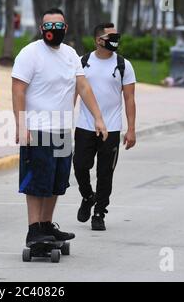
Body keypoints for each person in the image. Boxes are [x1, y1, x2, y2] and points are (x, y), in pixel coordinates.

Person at [12, 8, 108, 246]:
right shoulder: (30, 53)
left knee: (57, 180)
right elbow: (18, 90)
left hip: (63, 129)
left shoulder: (70, 54)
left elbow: (83, 87)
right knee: (37, 181)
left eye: (58, 27)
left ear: (65, 28)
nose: (53, 31)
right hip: (37, 129)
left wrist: (98, 117)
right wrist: (20, 125)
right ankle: (33, 230)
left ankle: (46, 225)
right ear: (42, 29)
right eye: (48, 27)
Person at [74, 23, 137, 231]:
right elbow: (74, 93)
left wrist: (131, 129)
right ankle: (87, 196)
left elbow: (129, 99)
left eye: (116, 35)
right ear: (98, 40)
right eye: (111, 36)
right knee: (80, 166)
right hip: (85, 125)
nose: (115, 39)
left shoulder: (123, 65)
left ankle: (99, 212)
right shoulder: (83, 62)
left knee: (105, 172)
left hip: (111, 128)